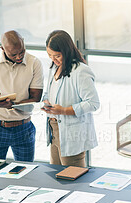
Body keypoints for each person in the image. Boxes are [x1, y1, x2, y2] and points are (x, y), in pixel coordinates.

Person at [0, 30, 43, 162]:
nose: (18, 57)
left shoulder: (34, 63)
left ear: (23, 43)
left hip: (24, 128)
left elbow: (36, 98)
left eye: (22, 51)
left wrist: (12, 105)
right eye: (13, 54)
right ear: (2, 49)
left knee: (26, 174)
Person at [41, 30, 100, 167]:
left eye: (57, 56)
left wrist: (64, 110)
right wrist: (45, 102)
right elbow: (48, 92)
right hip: (54, 130)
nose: (53, 59)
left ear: (66, 51)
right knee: (57, 177)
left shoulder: (80, 71)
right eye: (49, 55)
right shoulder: (54, 68)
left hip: (71, 133)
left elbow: (93, 103)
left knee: (73, 178)